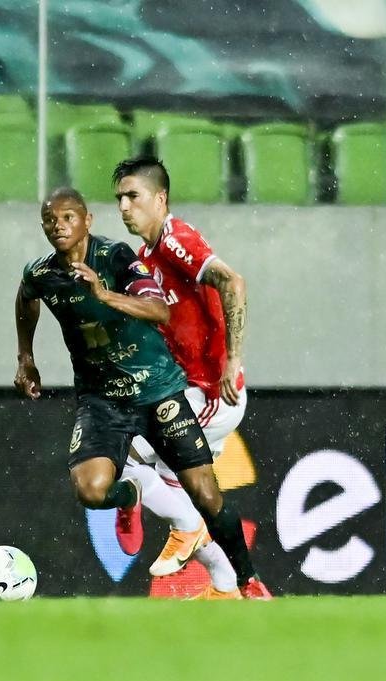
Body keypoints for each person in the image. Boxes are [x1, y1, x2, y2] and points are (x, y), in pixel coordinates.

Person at [14, 186, 254, 599]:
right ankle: (134, 498)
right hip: (102, 401)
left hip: (158, 392)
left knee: (205, 492)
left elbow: (159, 309)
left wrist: (104, 294)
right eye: (50, 220)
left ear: (88, 221)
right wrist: (25, 357)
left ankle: (247, 583)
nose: (59, 226)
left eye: (68, 217)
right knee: (91, 489)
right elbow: (27, 297)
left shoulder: (117, 257)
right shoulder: (41, 272)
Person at [112, 155, 271, 600]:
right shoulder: (145, 257)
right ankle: (233, 585)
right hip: (188, 392)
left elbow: (232, 282)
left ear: (159, 199)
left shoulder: (173, 239)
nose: (124, 206)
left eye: (133, 196)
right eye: (119, 198)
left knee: (135, 458)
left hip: (211, 393)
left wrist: (231, 362)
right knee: (192, 489)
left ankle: (186, 529)